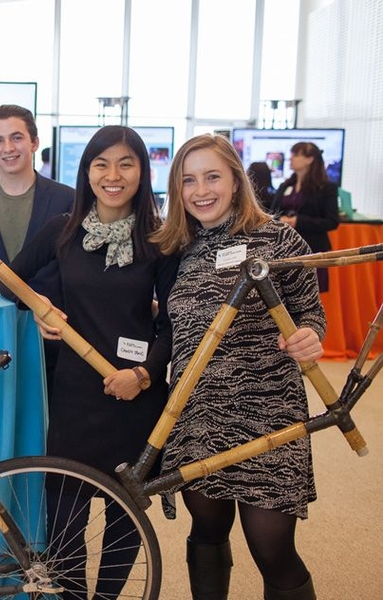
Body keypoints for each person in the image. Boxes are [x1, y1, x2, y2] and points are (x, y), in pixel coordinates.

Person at [0, 125, 178, 599]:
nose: (112, 175)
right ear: (86, 171)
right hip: (75, 391)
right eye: (101, 164)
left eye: (126, 164)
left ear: (143, 172)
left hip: (135, 396)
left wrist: (141, 375)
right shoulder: (62, 228)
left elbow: (172, 325)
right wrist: (37, 306)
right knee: (65, 517)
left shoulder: (160, 240)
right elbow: (6, 279)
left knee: (125, 516)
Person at [150, 134, 325, 600]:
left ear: (235, 180)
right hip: (196, 416)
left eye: (212, 176)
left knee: (272, 550)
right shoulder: (175, 247)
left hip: (269, 415)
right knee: (206, 532)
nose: (200, 190)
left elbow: (311, 313)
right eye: (188, 180)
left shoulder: (279, 237)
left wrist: (310, 337)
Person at [0, 104, 73, 397]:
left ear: (34, 142)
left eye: (17, 137)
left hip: (50, 333)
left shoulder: (67, 200)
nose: (8, 148)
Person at [270, 141, 339, 292]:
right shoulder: (285, 185)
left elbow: (332, 221)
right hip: (284, 249)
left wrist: (298, 221)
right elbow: (272, 212)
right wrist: (280, 220)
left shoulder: (326, 188)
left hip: (312, 249)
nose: (291, 158)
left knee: (309, 295)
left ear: (310, 159)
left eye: (296, 154)